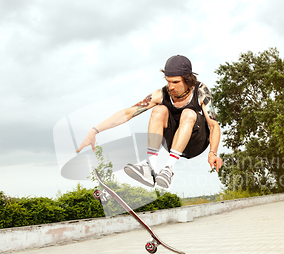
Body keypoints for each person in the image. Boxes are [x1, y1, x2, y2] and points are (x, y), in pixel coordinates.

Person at [76, 55, 223, 189]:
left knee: (188, 113)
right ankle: (150, 168)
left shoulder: (201, 91)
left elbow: (213, 125)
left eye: (176, 82)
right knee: (159, 110)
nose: (171, 87)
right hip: (173, 142)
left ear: (188, 79)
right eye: (168, 81)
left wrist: (213, 152)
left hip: (196, 142)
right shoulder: (161, 94)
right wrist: (95, 130)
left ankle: (168, 169)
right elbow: (129, 112)